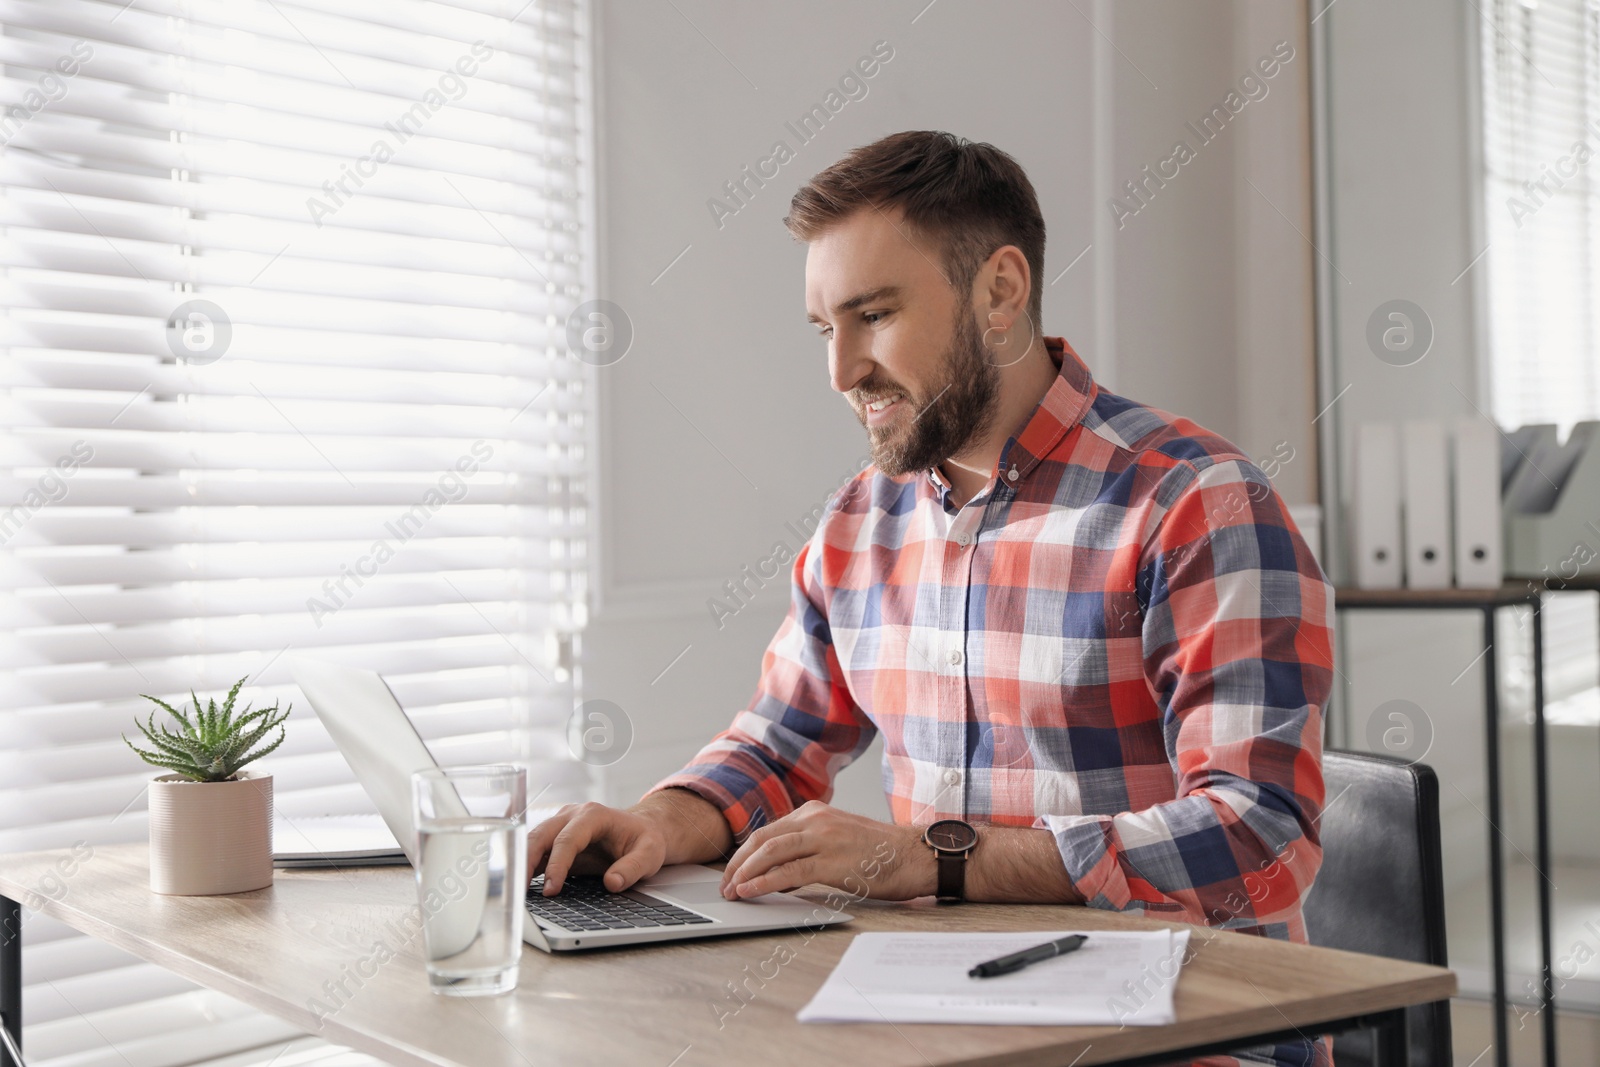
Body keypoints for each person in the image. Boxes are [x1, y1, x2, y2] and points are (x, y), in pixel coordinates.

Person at [528, 130, 1334, 1067]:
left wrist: (939, 856)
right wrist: (661, 821)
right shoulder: (860, 520)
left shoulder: (1196, 503)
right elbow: (780, 741)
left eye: (872, 315)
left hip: (1180, 1037)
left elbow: (1258, 833)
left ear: (1000, 291)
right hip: (942, 1024)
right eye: (827, 330)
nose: (841, 372)